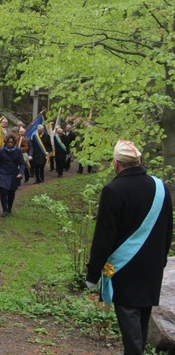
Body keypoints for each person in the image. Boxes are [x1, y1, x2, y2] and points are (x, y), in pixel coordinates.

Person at [86, 140, 172, 355]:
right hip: (152, 268)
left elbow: (104, 236)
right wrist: (160, 261)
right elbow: (168, 229)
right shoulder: (161, 187)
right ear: (139, 161)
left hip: (125, 269)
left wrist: (93, 273)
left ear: (116, 164)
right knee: (140, 324)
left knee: (131, 328)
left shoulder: (113, 190)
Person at [0, 134, 25, 218]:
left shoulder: (18, 151)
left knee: (11, 192)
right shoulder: (2, 151)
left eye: (12, 142)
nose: (10, 144)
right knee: (3, 192)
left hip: (14, 175)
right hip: (3, 174)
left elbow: (22, 163)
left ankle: (9, 208)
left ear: (14, 143)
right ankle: (4, 209)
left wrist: (21, 173)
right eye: (8, 142)